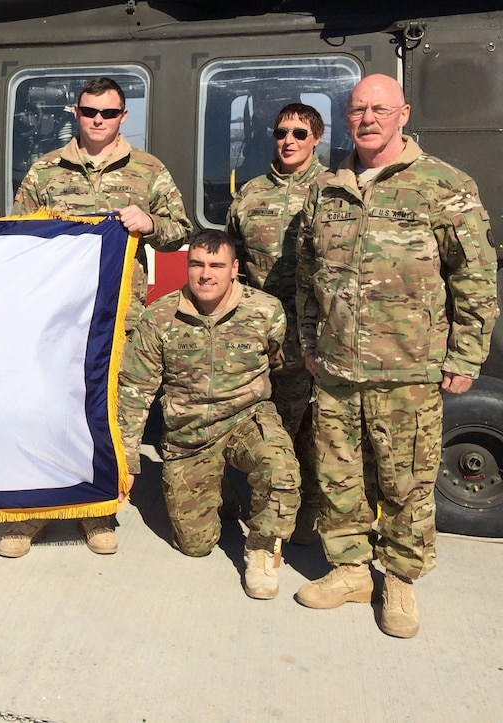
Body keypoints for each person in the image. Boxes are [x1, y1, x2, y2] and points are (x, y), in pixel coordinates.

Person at [295, 74, 498, 637]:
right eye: (357, 109)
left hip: (409, 368)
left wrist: (465, 356)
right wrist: (310, 344)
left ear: (402, 114)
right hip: (335, 367)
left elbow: (475, 277)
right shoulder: (326, 187)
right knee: (339, 476)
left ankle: (401, 581)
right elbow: (309, 277)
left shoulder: (443, 185)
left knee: (405, 481)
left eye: (379, 109)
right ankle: (350, 570)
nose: (367, 119)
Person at [1, 76, 193, 557]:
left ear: (123, 117)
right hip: (57, 318)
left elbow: (180, 229)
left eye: (108, 113)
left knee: (107, 415)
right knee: (46, 409)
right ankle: (33, 512)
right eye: (89, 112)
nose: (98, 121)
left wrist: (150, 224)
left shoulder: (149, 170)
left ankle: (97, 509)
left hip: (120, 315)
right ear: (76, 113)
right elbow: (15, 234)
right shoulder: (45, 171)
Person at [118, 229, 301, 598]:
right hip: (190, 435)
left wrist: (287, 438)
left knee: (280, 470)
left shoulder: (265, 311)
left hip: (246, 419)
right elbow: (135, 389)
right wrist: (126, 460)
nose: (206, 274)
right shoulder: (159, 318)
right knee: (195, 545)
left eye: (216, 265)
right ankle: (223, 490)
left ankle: (263, 552)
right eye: (197, 264)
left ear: (234, 269)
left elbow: (290, 374)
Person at [226, 102, 326, 545]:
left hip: (317, 334)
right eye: (282, 132)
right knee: (259, 418)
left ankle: (309, 513)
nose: (289, 141)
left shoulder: (333, 189)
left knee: (315, 426)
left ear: (316, 139)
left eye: (299, 134)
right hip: (259, 330)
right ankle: (253, 500)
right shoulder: (250, 194)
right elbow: (231, 260)